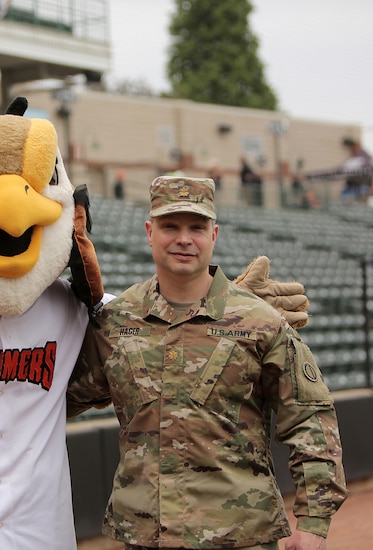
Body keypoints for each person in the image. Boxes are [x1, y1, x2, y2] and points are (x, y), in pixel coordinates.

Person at [67, 175, 347, 550]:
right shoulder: (116, 323)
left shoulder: (259, 321)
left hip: (241, 534)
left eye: (197, 227)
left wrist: (314, 521)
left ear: (213, 236)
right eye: (170, 226)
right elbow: (58, 399)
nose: (184, 238)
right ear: (150, 232)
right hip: (145, 535)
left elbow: (310, 417)